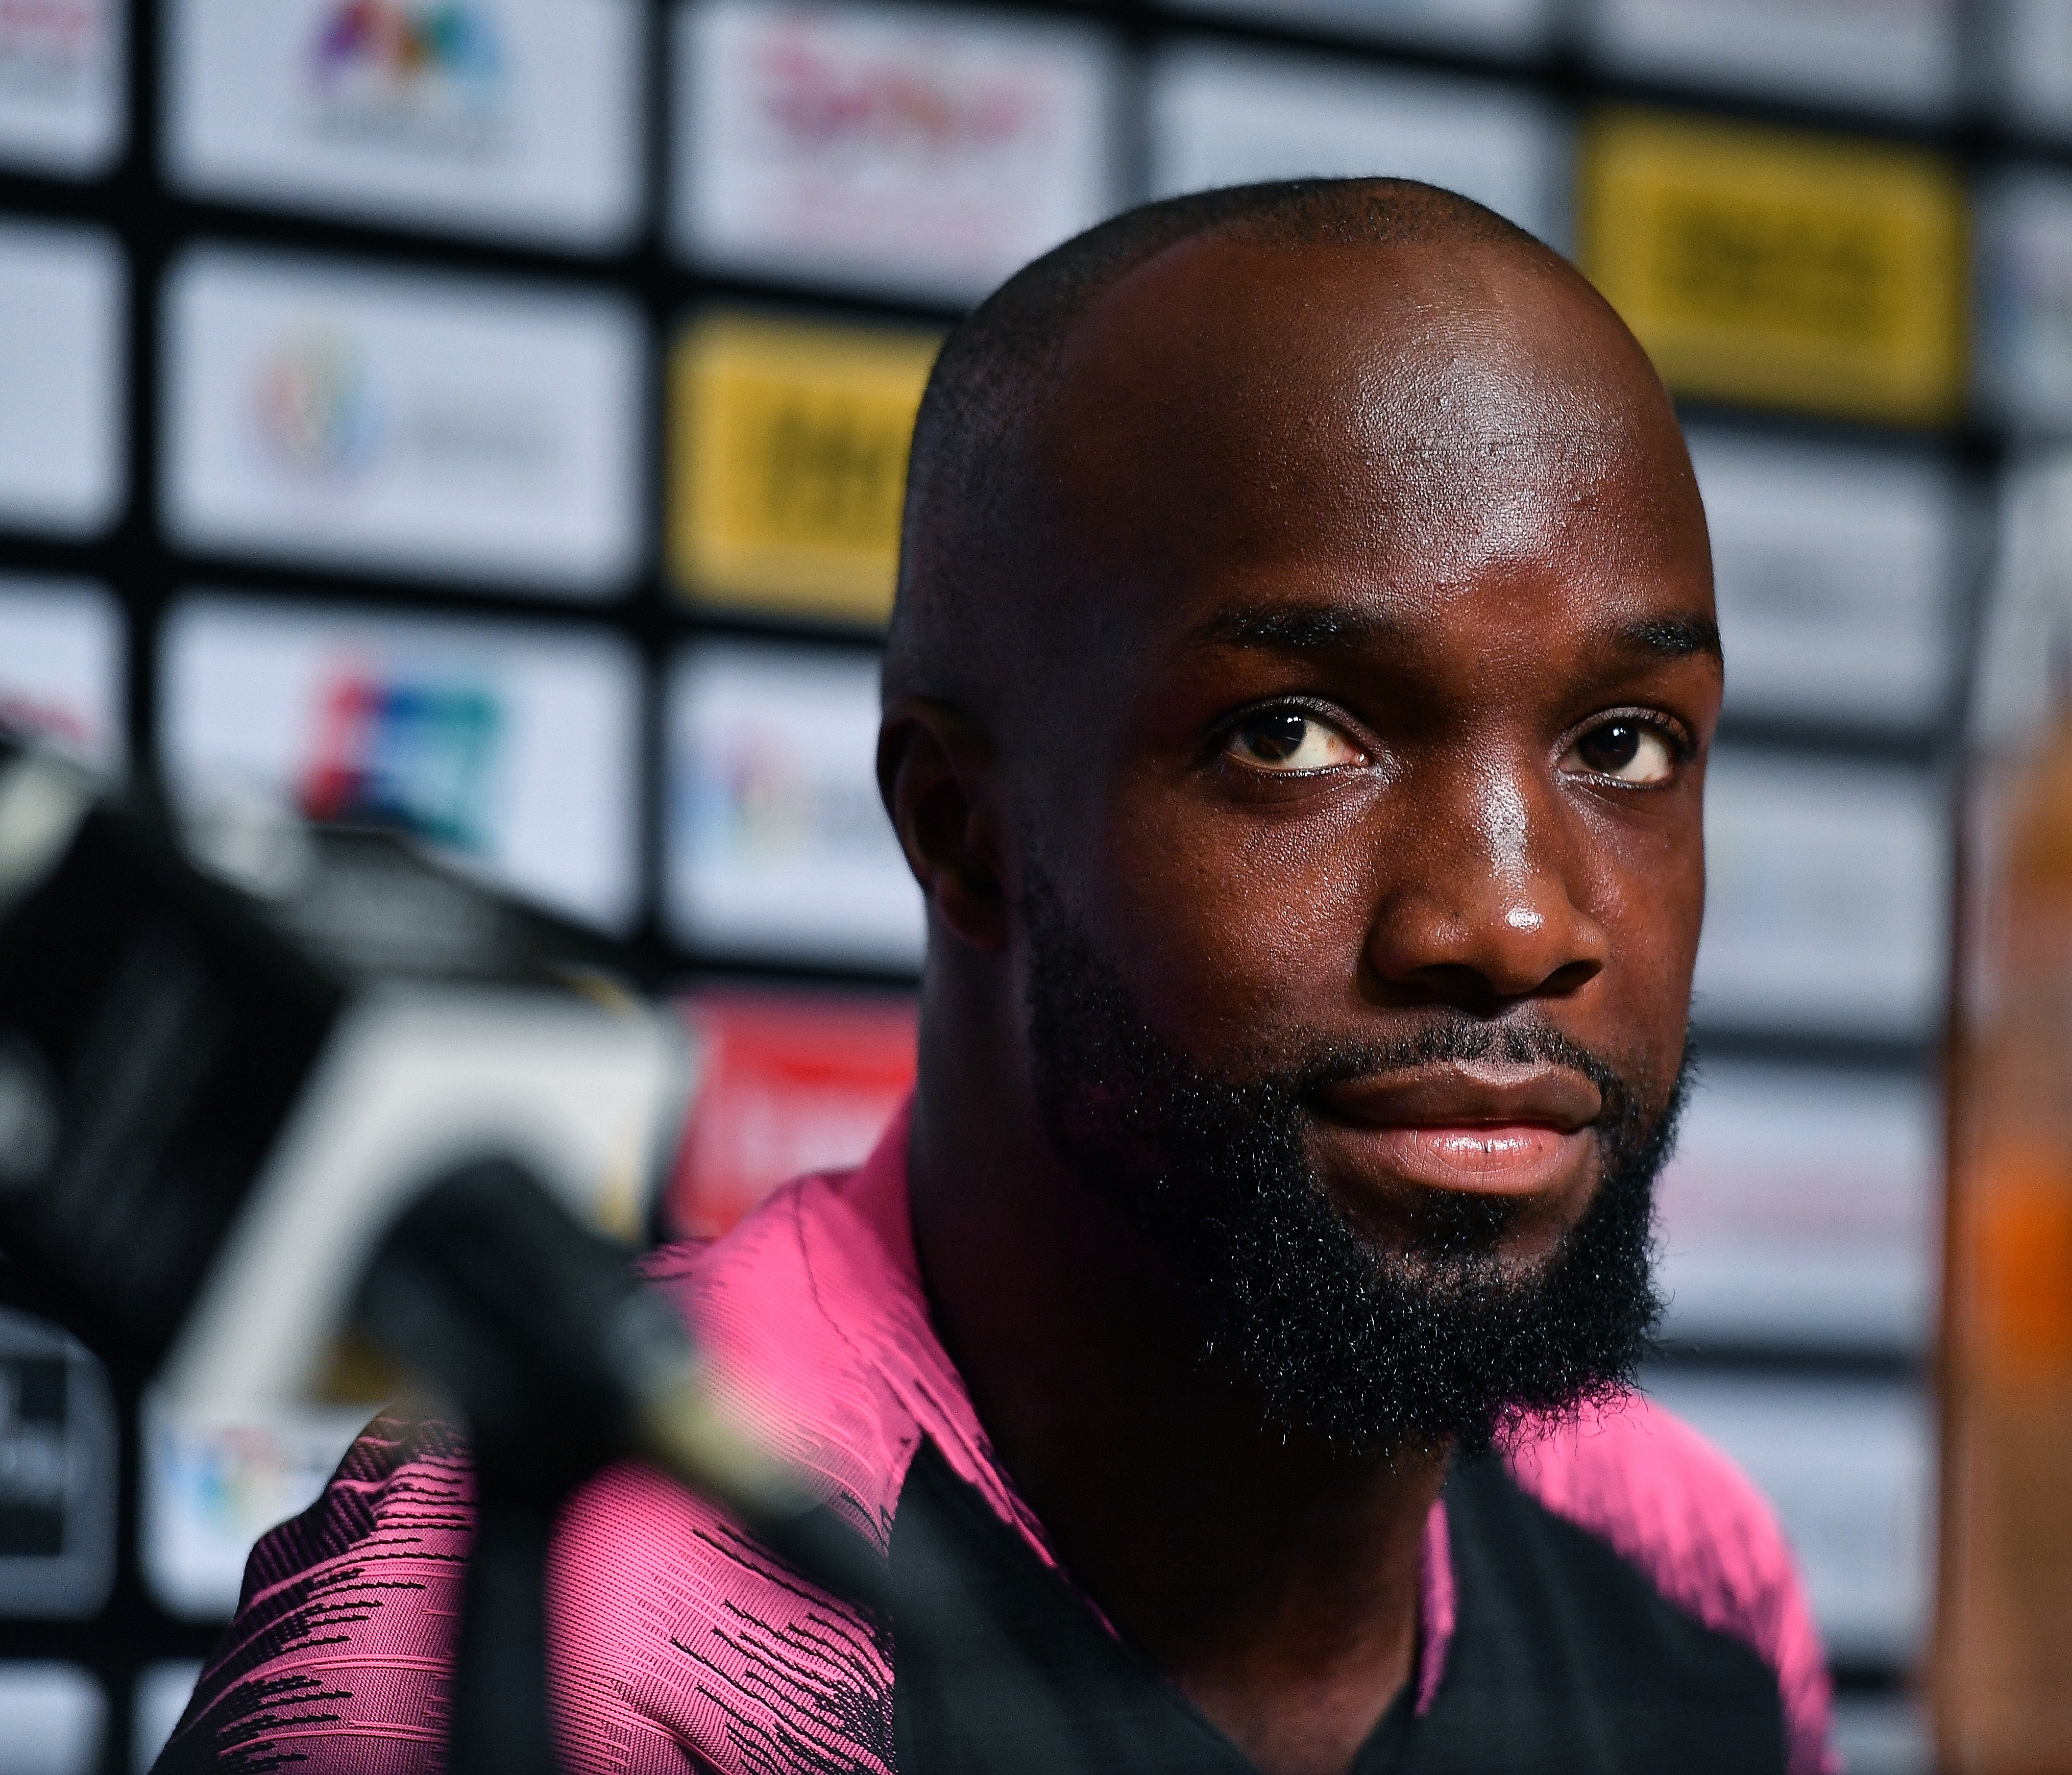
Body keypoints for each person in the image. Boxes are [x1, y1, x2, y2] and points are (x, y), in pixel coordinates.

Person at [157, 179, 1835, 1775]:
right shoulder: (565, 1639)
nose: (1515, 920)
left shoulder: (1687, 1572)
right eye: (1293, 736)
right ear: (963, 834)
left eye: (1622, 744)